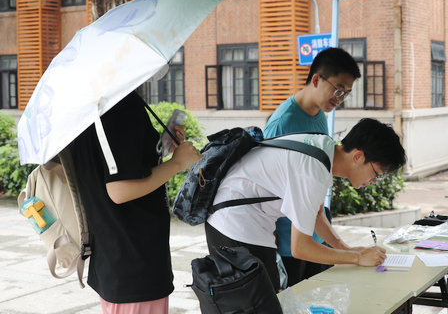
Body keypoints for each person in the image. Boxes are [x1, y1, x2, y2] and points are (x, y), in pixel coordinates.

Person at [205, 118, 406, 290]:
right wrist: (357, 258)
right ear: (358, 156)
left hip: (243, 220)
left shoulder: (323, 147)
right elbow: (301, 248)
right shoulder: (312, 170)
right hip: (234, 225)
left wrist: (348, 249)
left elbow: (316, 215)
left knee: (266, 298)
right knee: (255, 302)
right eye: (376, 174)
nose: (374, 181)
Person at [68, 90, 200, 313]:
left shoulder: (92, 105)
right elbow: (119, 190)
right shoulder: (120, 106)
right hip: (134, 260)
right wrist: (177, 163)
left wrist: (161, 150)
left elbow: (123, 167)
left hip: (116, 257)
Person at [264, 47, 361, 287]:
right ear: (316, 79)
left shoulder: (319, 115)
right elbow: (266, 188)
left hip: (314, 232)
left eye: (346, 93)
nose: (340, 98)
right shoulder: (282, 122)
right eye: (338, 89)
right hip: (287, 240)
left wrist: (343, 248)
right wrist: (270, 244)